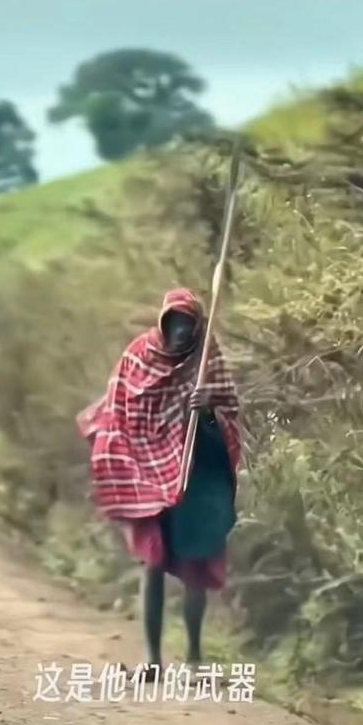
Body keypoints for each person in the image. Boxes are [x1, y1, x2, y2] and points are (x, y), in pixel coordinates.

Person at [77, 284, 242, 676]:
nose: (182, 331)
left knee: (196, 570)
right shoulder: (138, 355)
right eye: (176, 322)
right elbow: (121, 412)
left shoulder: (206, 357)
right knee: (151, 564)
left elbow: (231, 418)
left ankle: (196, 658)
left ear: (199, 324)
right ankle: (152, 659)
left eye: (189, 323)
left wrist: (205, 412)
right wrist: (137, 458)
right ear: (163, 322)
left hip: (196, 478)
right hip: (148, 479)